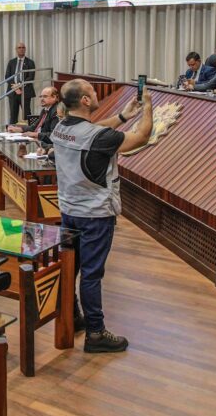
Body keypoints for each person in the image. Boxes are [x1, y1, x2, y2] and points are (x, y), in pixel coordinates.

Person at [50, 79, 153, 353]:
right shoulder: (97, 137)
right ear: (85, 101)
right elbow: (141, 137)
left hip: (69, 209)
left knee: (72, 267)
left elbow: (93, 132)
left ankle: (72, 316)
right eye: (92, 92)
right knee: (92, 274)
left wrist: (121, 116)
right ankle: (96, 332)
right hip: (96, 213)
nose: (96, 95)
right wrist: (149, 108)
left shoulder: (60, 127)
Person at [4, 43, 36, 124]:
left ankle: (29, 131)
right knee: (13, 114)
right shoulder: (11, 62)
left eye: (23, 47)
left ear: (25, 49)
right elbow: (8, 76)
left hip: (25, 91)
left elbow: (31, 77)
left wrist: (19, 86)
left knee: (26, 113)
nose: (21, 49)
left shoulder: (30, 62)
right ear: (16, 49)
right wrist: (15, 88)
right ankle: (11, 132)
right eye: (19, 47)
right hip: (13, 92)